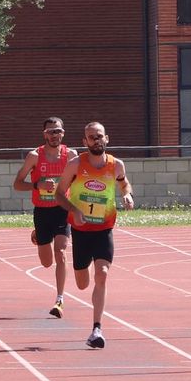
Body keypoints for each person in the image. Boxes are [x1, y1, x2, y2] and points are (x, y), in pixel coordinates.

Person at [56, 121, 134, 349]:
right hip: (81, 231)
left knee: (102, 274)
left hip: (104, 229)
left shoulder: (116, 165)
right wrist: (74, 210)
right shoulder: (75, 165)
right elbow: (59, 194)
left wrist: (127, 196)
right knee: (82, 283)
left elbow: (125, 185)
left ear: (106, 138)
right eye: (91, 137)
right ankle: (83, 275)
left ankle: (96, 329)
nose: (96, 140)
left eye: (99, 136)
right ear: (85, 142)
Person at [13, 116, 76, 318]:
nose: (54, 135)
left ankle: (60, 299)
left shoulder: (71, 155)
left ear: (63, 133)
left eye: (57, 131)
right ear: (44, 134)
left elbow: (81, 179)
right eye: (50, 132)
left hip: (62, 210)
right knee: (46, 262)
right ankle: (38, 236)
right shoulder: (34, 156)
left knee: (61, 252)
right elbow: (17, 184)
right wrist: (36, 185)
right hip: (41, 211)